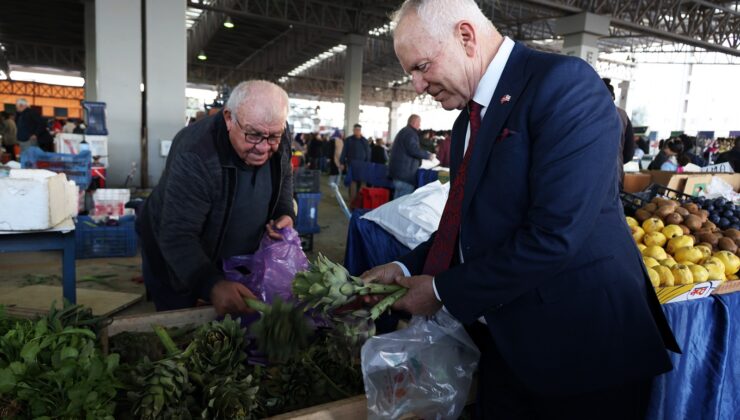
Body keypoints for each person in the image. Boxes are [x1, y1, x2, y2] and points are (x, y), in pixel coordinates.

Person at [362, 1, 679, 418]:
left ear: (465, 37)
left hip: (583, 355)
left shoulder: (564, 85)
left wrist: (441, 292)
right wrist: (405, 268)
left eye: (421, 66)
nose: (418, 86)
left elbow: (554, 234)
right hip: (508, 349)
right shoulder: (466, 122)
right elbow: (465, 228)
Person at [136, 80, 295, 315]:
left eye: (273, 137)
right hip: (176, 253)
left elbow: (285, 176)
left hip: (232, 256)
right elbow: (177, 236)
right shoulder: (196, 153)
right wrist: (211, 283)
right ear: (229, 118)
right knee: (181, 318)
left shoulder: (276, 129)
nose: (263, 147)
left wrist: (285, 212)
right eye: (253, 135)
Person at [389, 114, 432, 198]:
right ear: (414, 122)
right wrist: (428, 155)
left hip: (398, 174)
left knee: (396, 201)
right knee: (403, 203)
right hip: (405, 175)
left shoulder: (404, 131)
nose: (420, 125)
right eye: (419, 122)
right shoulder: (410, 133)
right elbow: (413, 150)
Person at [340, 123, 370, 206]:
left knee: (362, 184)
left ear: (360, 131)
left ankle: (360, 201)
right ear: (353, 130)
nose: (357, 131)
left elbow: (368, 153)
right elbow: (344, 152)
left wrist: (368, 164)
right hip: (352, 165)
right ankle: (352, 202)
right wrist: (342, 162)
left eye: (358, 130)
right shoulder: (349, 140)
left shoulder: (364, 141)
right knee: (353, 183)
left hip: (363, 166)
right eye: (355, 130)